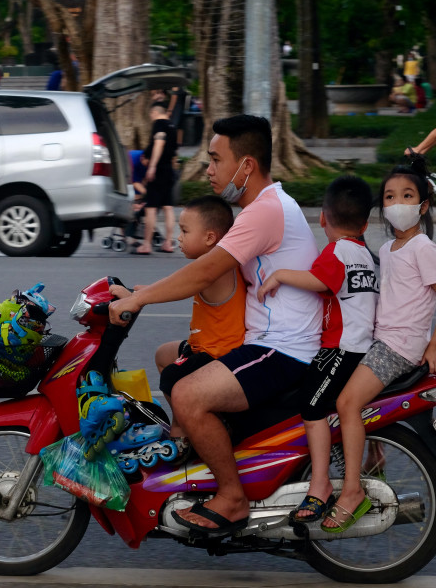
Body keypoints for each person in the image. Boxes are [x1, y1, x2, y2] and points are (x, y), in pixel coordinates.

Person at [109, 115, 322, 536]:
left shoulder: (265, 212)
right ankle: (204, 448)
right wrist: (143, 289)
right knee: (171, 354)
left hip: (283, 350)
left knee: (187, 394)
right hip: (267, 342)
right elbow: (206, 274)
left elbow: (206, 270)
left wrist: (140, 299)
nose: (208, 169)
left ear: (246, 165)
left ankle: (232, 497)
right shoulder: (264, 208)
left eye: (215, 159)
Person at [321, 155, 436, 533]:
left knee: (347, 402)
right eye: (389, 196)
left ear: (422, 206)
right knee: (334, 396)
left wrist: (433, 346)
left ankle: (352, 491)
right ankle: (373, 457)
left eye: (406, 195)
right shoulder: (386, 251)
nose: (397, 203)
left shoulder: (423, 247)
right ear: (381, 208)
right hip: (380, 340)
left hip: (400, 345)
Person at [257, 176, 378, 523]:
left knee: (311, 409)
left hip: (340, 349)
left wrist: (279, 274)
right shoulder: (365, 255)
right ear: (365, 224)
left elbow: (320, 280)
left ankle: (320, 484)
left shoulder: (336, 251)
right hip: (360, 348)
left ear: (322, 218)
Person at [155, 196, 246, 458]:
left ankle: (186, 435)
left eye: (184, 231)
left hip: (219, 354)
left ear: (209, 238)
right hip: (205, 345)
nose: (178, 238)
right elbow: (168, 286)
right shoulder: (215, 263)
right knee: (164, 354)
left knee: (171, 376)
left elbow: (177, 287)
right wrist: (135, 293)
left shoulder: (212, 270)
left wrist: (138, 298)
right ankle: (182, 422)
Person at [134, 102, 178, 255]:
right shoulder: (172, 126)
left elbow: (159, 144)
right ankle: (168, 242)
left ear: (154, 112)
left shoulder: (159, 124)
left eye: (151, 115)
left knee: (151, 208)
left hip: (158, 171)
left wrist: (152, 166)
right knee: (168, 207)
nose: (151, 118)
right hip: (169, 171)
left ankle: (146, 244)